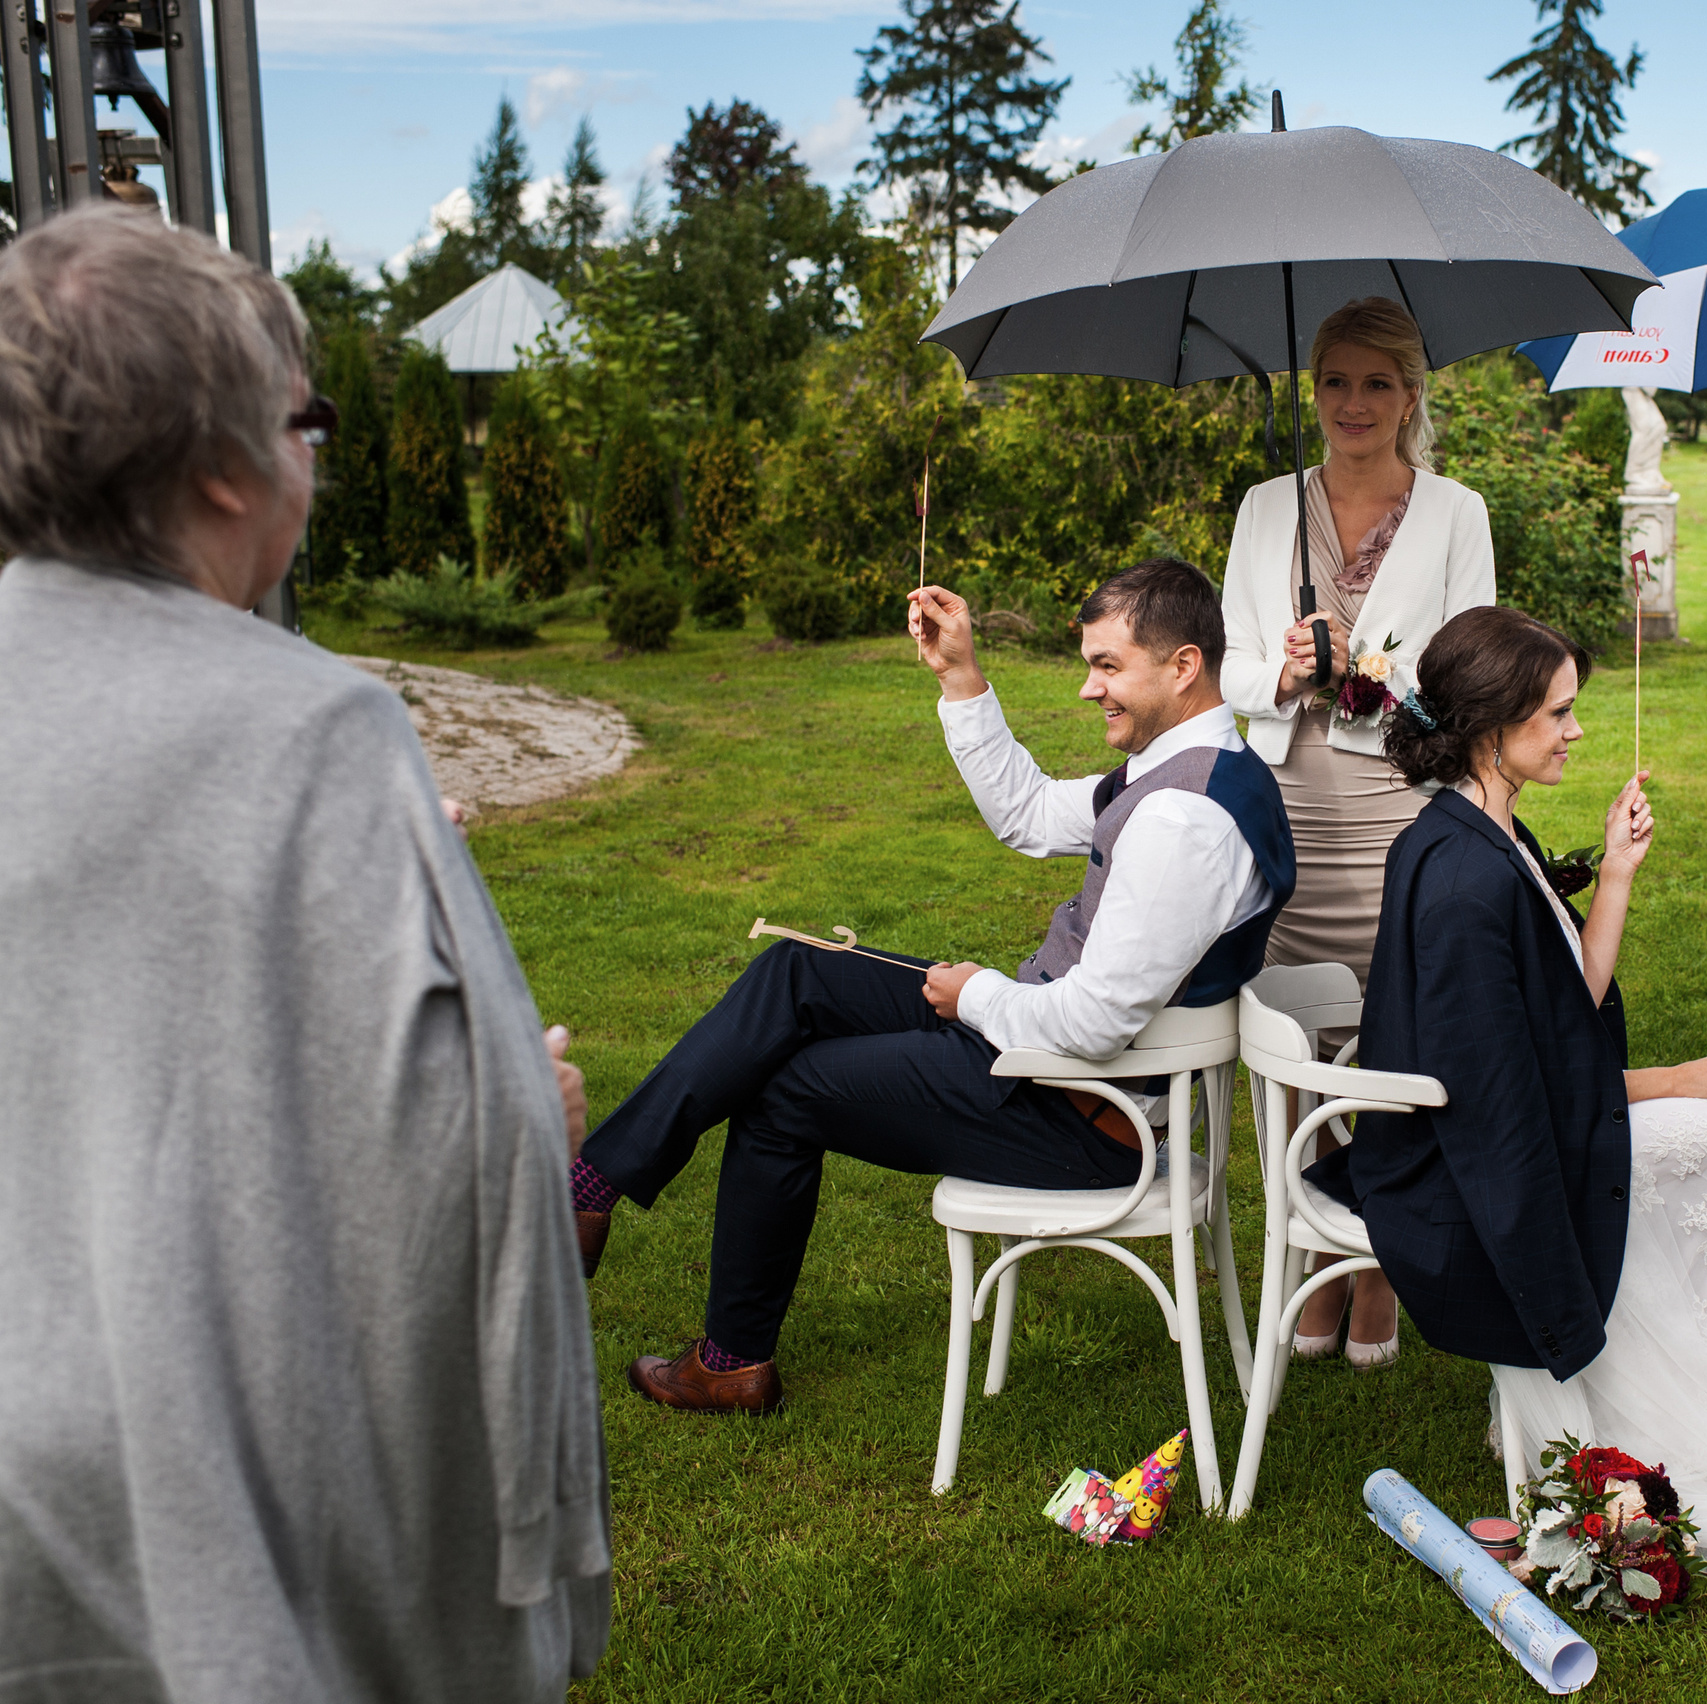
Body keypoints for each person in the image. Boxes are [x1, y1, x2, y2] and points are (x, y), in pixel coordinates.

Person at [0, 208, 610, 1701]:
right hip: (197, 1496)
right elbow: (458, 1170)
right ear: (224, 465)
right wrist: (534, 1116)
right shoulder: (318, 731)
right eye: (305, 422)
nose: (313, 457)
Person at [572, 560, 1294, 1414]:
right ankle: (592, 1188)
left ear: (1182, 666)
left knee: (782, 1092)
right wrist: (960, 674)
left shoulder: (1184, 819)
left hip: (1081, 1111)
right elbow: (1027, 814)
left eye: (1108, 666)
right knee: (799, 969)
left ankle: (730, 1365)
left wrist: (976, 995)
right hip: (1049, 1059)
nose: (1087, 688)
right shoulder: (1189, 766)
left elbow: (1095, 1022)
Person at [1308, 605, 1707, 1608]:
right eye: (1557, 713)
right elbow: (1503, 1100)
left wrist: (1616, 871)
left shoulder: (1488, 827)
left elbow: (1567, 1005)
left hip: (1534, 1117)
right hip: (1472, 1168)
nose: (1576, 731)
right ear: (1491, 725)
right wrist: (1668, 1081)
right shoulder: (1462, 882)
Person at [1220, 295, 1495, 1368]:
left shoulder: (1456, 512)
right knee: (1293, 1035)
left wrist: (1366, 665)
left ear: (1410, 396)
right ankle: (1309, 1253)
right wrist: (1286, 672)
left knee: (1393, 1029)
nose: (1353, 402)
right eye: (1335, 380)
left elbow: (1471, 668)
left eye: (1377, 383)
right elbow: (1230, 662)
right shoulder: (1264, 507)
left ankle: (1379, 1259)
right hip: (1282, 802)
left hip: (1398, 800)